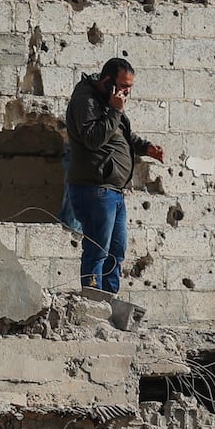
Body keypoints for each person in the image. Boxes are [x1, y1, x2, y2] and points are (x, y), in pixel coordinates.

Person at [64, 57, 164, 293]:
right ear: (107, 80)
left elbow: (120, 136)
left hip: (113, 191)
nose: (127, 91)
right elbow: (93, 138)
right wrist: (115, 110)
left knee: (116, 251)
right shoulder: (85, 100)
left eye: (130, 87)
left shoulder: (109, 103)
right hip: (94, 189)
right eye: (123, 85)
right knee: (98, 248)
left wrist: (145, 148)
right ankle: (92, 299)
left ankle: (109, 301)